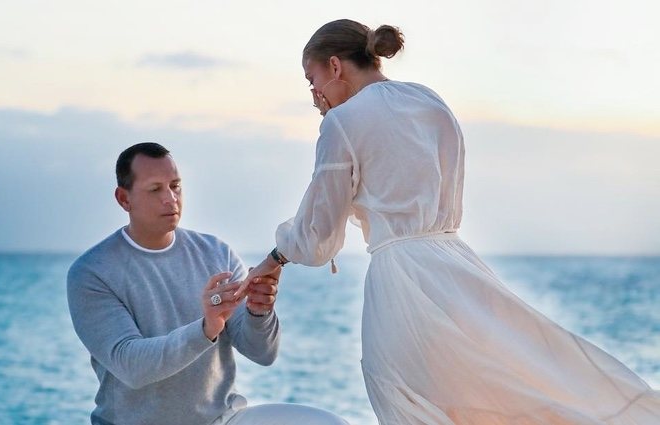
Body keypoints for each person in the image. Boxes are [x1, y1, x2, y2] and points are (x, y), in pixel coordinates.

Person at [237, 19, 660, 425]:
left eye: (311, 79)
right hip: (456, 265)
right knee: (502, 384)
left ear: (334, 66)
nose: (313, 93)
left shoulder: (341, 123)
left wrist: (276, 255)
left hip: (401, 279)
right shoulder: (428, 99)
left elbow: (316, 239)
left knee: (409, 400)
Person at [67, 142, 349, 425]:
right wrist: (206, 329)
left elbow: (263, 354)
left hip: (222, 420)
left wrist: (259, 311)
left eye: (175, 186)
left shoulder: (216, 252)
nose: (170, 198)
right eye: (155, 189)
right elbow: (131, 366)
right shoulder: (92, 272)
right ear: (123, 199)